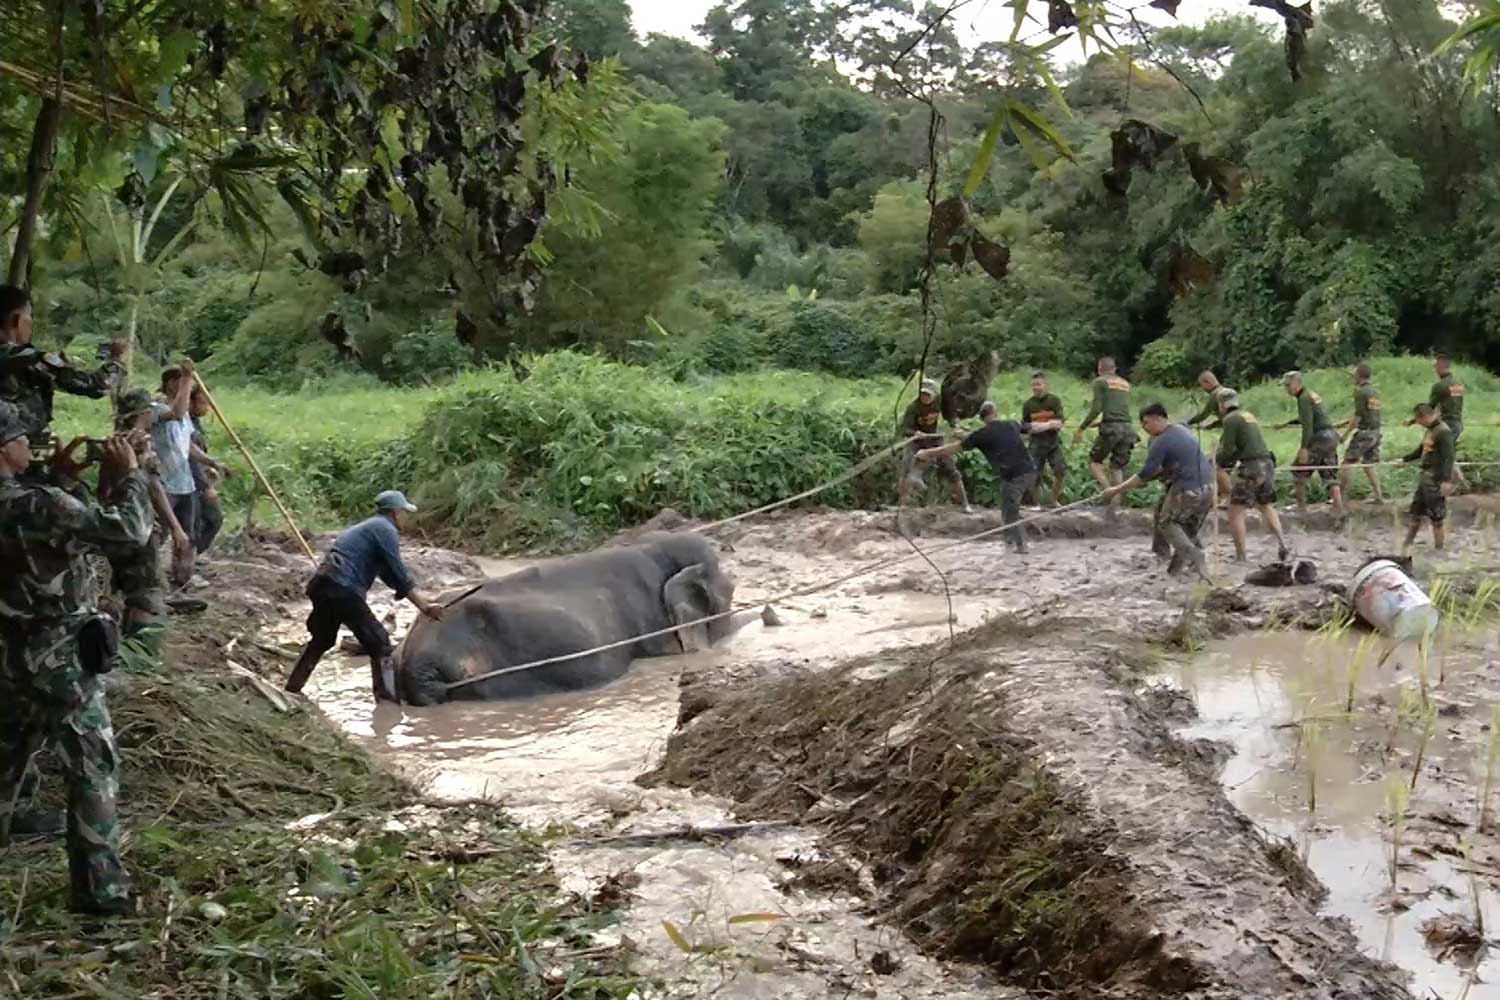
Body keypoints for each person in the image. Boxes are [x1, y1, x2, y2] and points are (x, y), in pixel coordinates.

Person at [0, 400, 153, 916]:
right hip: (60, 662)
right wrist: (130, 476)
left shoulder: (36, 501)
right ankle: (102, 894)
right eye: (24, 438)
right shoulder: (40, 505)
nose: (32, 446)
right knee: (92, 771)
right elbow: (128, 530)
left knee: (5, 769)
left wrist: (62, 480)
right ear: (6, 449)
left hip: (6, 659)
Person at [285, 490, 447, 701]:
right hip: (343, 589)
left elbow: (387, 573)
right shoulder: (385, 529)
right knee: (380, 644)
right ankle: (388, 705)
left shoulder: (368, 528)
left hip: (323, 586)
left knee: (322, 640)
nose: (406, 518)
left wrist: (406, 594)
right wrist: (424, 607)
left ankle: (291, 689)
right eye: (405, 512)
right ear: (395, 512)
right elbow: (398, 572)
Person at [0, 284, 125, 454]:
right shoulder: (30, 359)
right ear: (16, 320)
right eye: (29, 316)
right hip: (18, 460)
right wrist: (116, 359)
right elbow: (98, 385)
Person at [1100, 402, 1214, 581]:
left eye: (1146, 423)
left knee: (1167, 523)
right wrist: (1144, 480)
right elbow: (1160, 470)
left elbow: (1146, 472)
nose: (1144, 428)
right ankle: (1175, 571)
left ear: (1158, 419)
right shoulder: (1181, 431)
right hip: (1208, 487)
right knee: (1186, 529)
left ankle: (1195, 556)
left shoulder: (1161, 441)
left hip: (1187, 488)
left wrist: (1115, 490)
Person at [104, 390, 181, 642]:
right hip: (140, 525)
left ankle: (120, 636)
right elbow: (155, 490)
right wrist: (176, 528)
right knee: (144, 588)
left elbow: (103, 492)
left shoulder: (113, 444)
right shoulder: (139, 447)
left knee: (123, 584)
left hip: (114, 523)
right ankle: (141, 645)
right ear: (144, 414)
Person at [918, 401, 1036, 552]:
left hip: (1014, 475)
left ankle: (1021, 546)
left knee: (1011, 509)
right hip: (1029, 471)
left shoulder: (981, 435)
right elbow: (1029, 429)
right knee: (1007, 507)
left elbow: (953, 448)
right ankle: (1009, 540)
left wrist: (927, 453)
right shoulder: (1011, 424)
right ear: (995, 413)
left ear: (981, 418)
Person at [1213, 390, 1289, 563]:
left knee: (1235, 510)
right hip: (1267, 463)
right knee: (1265, 505)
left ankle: (1241, 555)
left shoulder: (1230, 420)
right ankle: (1282, 543)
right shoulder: (1248, 415)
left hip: (1251, 467)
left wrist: (1216, 461)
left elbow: (1228, 449)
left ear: (1222, 405)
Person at [150, 362, 203, 587]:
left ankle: (182, 579)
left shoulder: (185, 415)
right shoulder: (156, 408)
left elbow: (188, 444)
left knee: (187, 536)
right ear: (172, 384)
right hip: (164, 483)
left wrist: (210, 461)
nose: (189, 390)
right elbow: (177, 412)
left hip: (185, 482)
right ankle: (148, 577)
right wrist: (188, 377)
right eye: (183, 383)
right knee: (158, 534)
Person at [896, 378, 972, 514]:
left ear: (935, 395)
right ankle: (903, 505)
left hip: (934, 439)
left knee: (950, 469)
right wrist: (915, 433)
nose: (925, 397)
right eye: (923, 394)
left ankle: (965, 504)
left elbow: (951, 416)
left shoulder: (940, 403)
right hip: (916, 441)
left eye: (928, 395)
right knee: (907, 468)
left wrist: (955, 426)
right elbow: (905, 429)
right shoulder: (913, 407)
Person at [1278, 371, 1346, 517]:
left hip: (1319, 438)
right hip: (1330, 437)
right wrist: (1287, 423)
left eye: (1288, 385)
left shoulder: (1303, 398)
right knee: (1330, 474)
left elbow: (1307, 426)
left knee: (1298, 471)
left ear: (1297, 383)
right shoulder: (1311, 395)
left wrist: (1304, 448)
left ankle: (1301, 507)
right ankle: (1339, 509)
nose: (1287, 389)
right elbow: (1312, 416)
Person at [1074, 356, 1136, 508]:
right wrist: (1102, 421)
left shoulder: (1100, 382)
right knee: (1117, 466)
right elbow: (1120, 410)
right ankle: (1116, 504)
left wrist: (1081, 428)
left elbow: (1096, 409)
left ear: (1099, 370)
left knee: (1095, 461)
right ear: (1114, 369)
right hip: (1127, 427)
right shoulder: (1125, 384)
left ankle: (1109, 491)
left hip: (1111, 429)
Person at [1396, 403, 1456, 554]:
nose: (1419, 423)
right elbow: (1421, 450)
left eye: (1419, 420)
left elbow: (1449, 458)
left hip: (1435, 478)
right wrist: (1404, 460)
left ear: (1425, 416)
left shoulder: (1443, 432)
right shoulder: (1431, 430)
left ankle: (1439, 550)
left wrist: (1446, 480)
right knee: (1416, 511)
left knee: (1437, 515)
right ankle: (1406, 544)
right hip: (1425, 477)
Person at [1417, 354, 1467, 488]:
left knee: (1436, 452)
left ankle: (1440, 484)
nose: (1434, 368)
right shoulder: (1458, 383)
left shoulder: (1440, 386)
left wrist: (1413, 420)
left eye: (1435, 366)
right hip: (1458, 423)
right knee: (1448, 452)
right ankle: (1462, 483)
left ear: (1440, 366)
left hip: (1446, 424)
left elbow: (1429, 408)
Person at [188, 387, 228, 553]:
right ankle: (189, 557)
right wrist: (206, 487)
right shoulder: (184, 424)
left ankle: (190, 556)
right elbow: (189, 457)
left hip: (197, 479)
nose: (207, 408)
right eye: (203, 403)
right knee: (210, 520)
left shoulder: (194, 422)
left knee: (205, 522)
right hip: (192, 482)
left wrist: (209, 467)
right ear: (190, 402)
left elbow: (198, 453)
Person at [1185, 370, 1234, 502]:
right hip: (1235, 431)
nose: (1202, 388)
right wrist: (1210, 426)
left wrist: (1186, 423)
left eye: (1202, 385)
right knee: (1224, 465)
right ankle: (1221, 495)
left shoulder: (1215, 394)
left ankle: (1227, 495)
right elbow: (1228, 417)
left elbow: (1204, 414)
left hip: (1230, 434)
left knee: (1213, 463)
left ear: (1207, 382)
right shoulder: (1229, 392)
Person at [1338, 362, 1384, 503]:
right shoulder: (1374, 391)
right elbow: (1366, 413)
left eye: (1354, 374)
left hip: (1364, 433)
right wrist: (1343, 422)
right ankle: (1378, 495)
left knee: (1347, 462)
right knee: (1368, 464)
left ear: (1359, 375)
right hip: (1376, 431)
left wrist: (1344, 435)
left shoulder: (1360, 392)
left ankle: (1339, 497)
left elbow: (1358, 418)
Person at [1020, 372, 1066, 507]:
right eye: (1033, 385)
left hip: (1053, 443)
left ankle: (1053, 500)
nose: (1036, 387)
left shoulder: (1054, 401)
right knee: (1034, 475)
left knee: (1060, 472)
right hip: (1036, 443)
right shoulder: (1028, 404)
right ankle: (1037, 504)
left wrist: (1044, 426)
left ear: (1046, 385)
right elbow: (1024, 426)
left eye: (1038, 384)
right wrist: (1032, 427)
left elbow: (1060, 422)